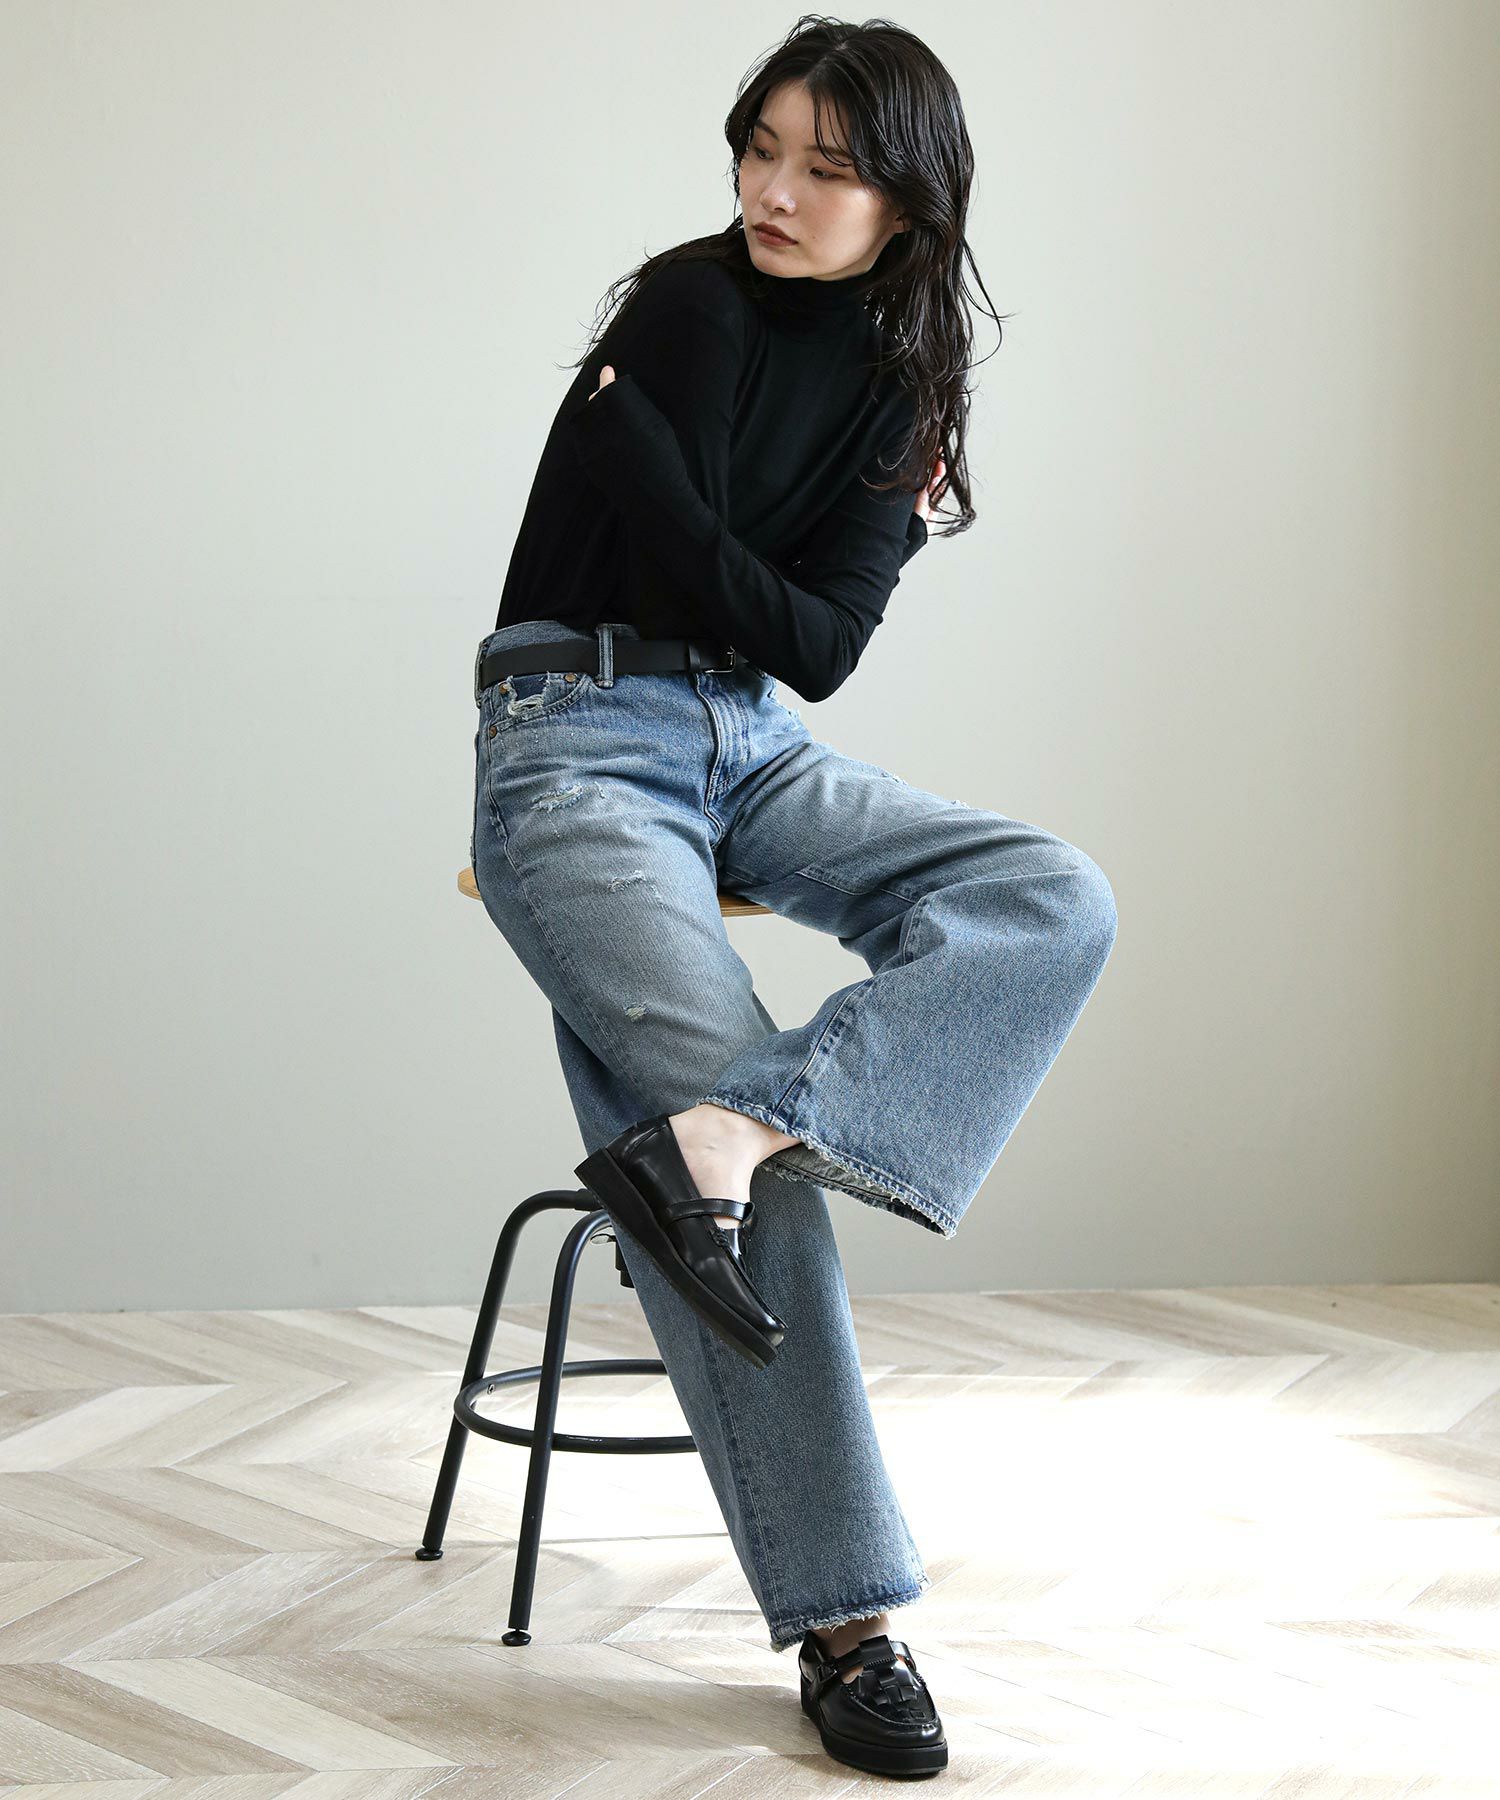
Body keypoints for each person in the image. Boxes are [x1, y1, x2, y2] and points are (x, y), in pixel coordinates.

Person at [469, 17, 1117, 1779]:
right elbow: (764, 598)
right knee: (725, 1177)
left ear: (909, 200)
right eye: (761, 148)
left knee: (1048, 893)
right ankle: (851, 1624)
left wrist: (660, 488)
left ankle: (741, 1127)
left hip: (753, 743)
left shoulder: (902, 395)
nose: (774, 190)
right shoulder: (689, 303)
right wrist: (711, 550)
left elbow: (813, 654)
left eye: (826, 168)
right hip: (573, 741)